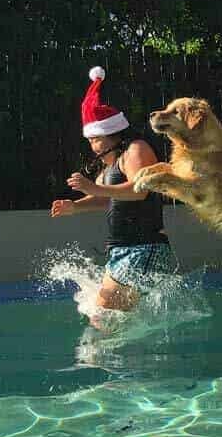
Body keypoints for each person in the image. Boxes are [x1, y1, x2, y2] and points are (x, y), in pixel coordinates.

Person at [50, 67, 179, 323]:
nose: (91, 146)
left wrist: (94, 188)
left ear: (110, 134)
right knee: (108, 319)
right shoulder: (112, 164)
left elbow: (140, 191)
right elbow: (107, 198)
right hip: (124, 253)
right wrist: (75, 206)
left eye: (94, 139)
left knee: (103, 317)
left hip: (144, 249)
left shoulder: (136, 150)